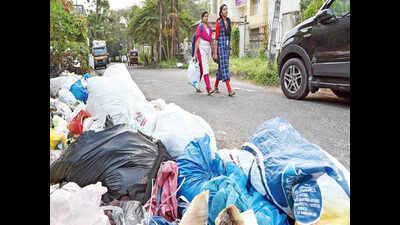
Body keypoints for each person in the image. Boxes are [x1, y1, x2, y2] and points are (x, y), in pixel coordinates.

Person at [212, 4, 236, 96]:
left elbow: (229, 37)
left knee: (221, 68)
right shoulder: (219, 23)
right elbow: (216, 39)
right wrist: (215, 53)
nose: (226, 11)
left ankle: (215, 86)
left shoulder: (229, 22)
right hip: (220, 48)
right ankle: (229, 90)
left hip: (226, 48)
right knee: (225, 67)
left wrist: (230, 48)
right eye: (224, 9)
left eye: (227, 9)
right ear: (221, 12)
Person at [193, 11, 215, 95]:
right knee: (205, 68)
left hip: (207, 50)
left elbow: (211, 41)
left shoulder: (209, 28)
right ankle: (209, 88)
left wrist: (213, 53)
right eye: (205, 16)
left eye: (207, 16)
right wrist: (195, 54)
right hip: (201, 49)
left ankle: (196, 85)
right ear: (202, 18)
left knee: (202, 69)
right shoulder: (200, 27)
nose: (206, 18)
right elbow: (197, 41)